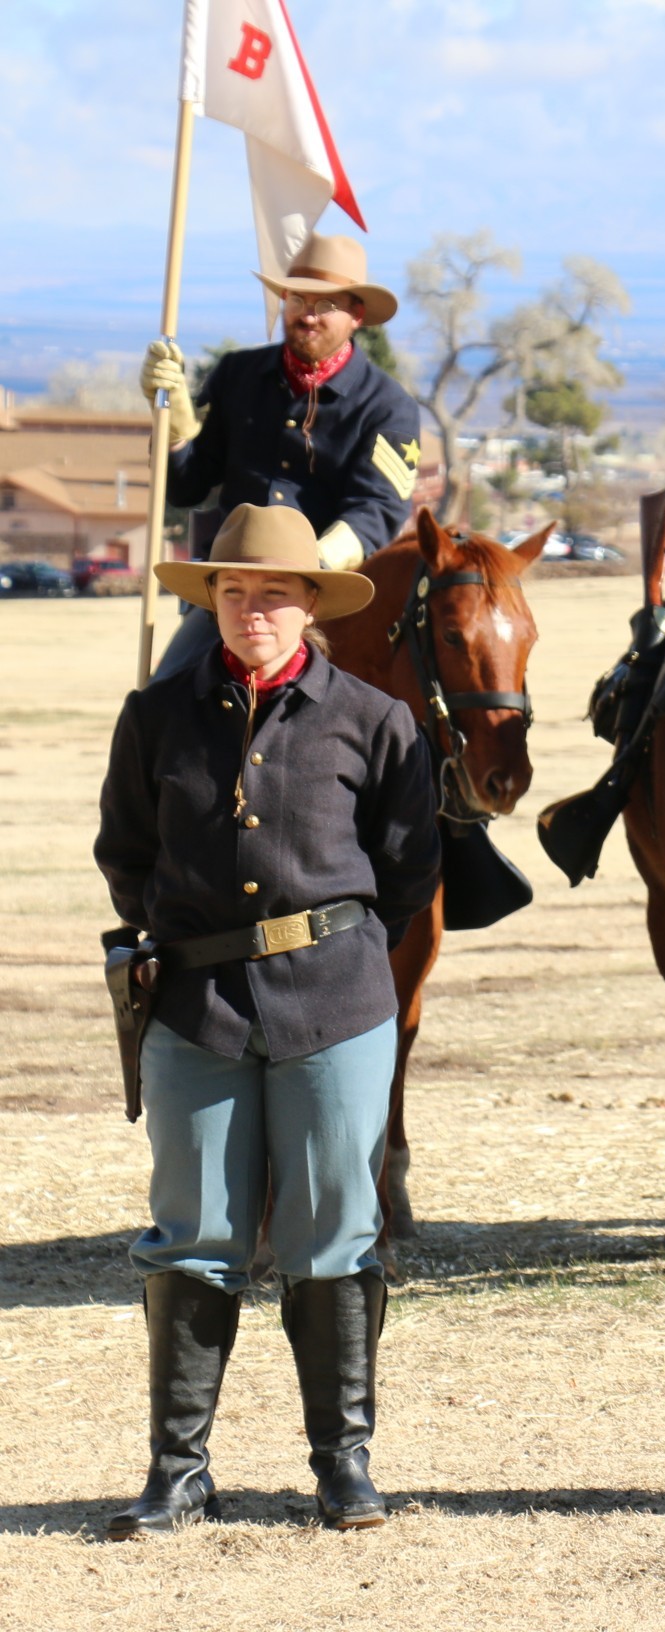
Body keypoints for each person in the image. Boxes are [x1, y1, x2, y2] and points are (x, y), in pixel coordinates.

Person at [94, 504, 441, 1536]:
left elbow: (408, 865)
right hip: (195, 1006)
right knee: (192, 1236)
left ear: (311, 606)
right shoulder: (155, 716)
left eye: (275, 594)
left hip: (334, 1002)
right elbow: (127, 854)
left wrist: (327, 952)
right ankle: (177, 1470)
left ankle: (344, 1464)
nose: (254, 610)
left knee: (332, 1233)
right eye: (234, 593)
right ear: (212, 602)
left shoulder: (376, 722)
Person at [139, 233, 424, 676]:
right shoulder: (236, 375)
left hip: (327, 597)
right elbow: (185, 487)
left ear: (357, 315)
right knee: (161, 698)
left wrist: (310, 568)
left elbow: (378, 511)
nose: (307, 315)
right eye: (296, 299)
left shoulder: (389, 407)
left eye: (326, 304)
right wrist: (173, 422)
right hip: (231, 595)